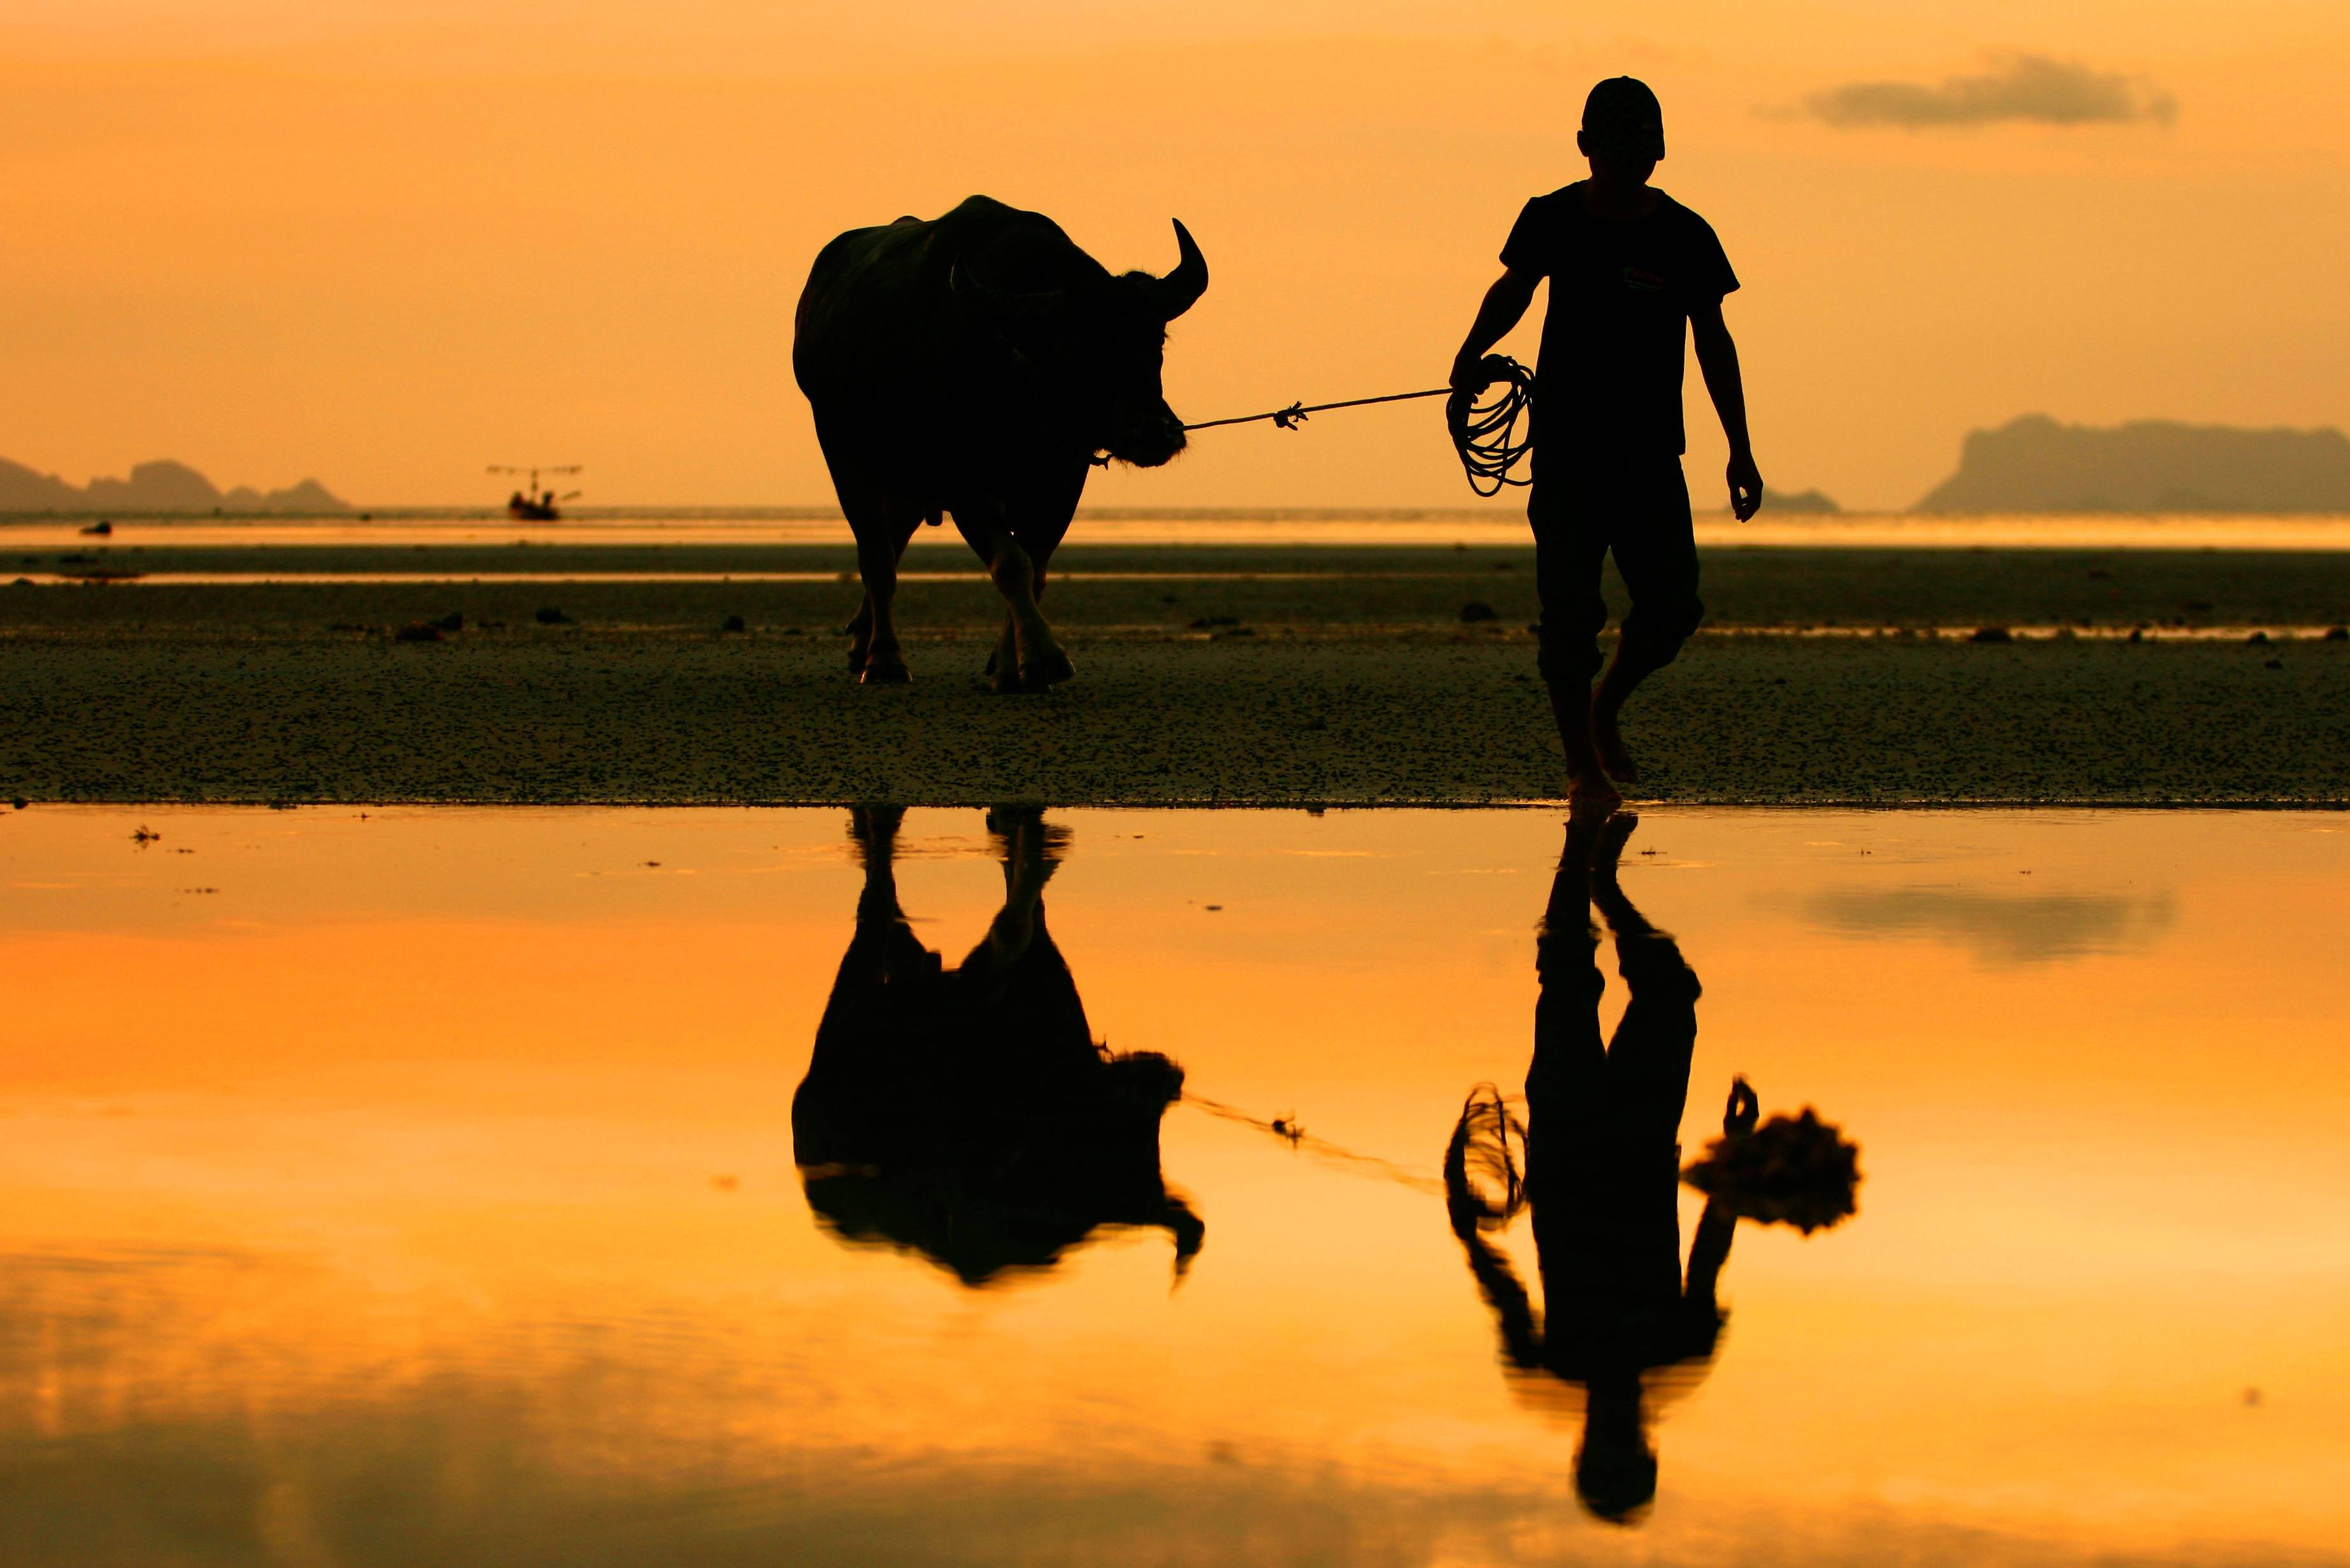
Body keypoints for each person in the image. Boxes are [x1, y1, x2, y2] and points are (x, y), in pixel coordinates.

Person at [1451, 77, 1762, 811]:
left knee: (1673, 608)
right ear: (1587, 146)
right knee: (1568, 617)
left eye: (1639, 147)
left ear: (1659, 151)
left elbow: (1713, 339)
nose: (1626, 161)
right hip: (1566, 453)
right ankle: (1580, 767)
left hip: (1652, 455)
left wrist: (1740, 447)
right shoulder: (1551, 217)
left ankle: (1602, 710)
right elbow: (1514, 290)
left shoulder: (1686, 235)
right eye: (1611, 146)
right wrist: (1468, 356)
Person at [1444, 810, 1751, 1523]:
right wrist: (1734, 1152)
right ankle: (1602, 886)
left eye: (1600, 1451)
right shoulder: (1681, 1347)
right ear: (1646, 1448)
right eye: (1625, 1450)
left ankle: (1579, 852)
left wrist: (1467, 1221)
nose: (1611, 1434)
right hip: (1642, 1141)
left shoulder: (1547, 1361)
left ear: (1584, 1448)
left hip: (1568, 1136)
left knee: (1567, 978)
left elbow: (1498, 1278)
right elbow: (1709, 1251)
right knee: (1667, 993)